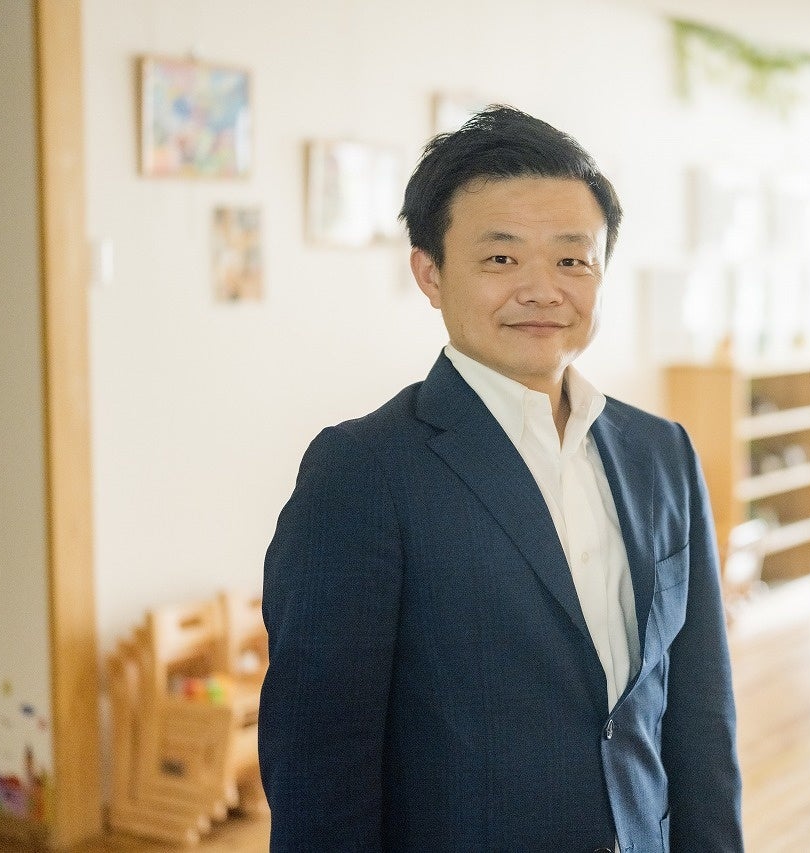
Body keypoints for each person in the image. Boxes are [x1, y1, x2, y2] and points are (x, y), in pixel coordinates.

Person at [259, 106, 743, 852]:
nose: (543, 290)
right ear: (430, 273)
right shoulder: (363, 472)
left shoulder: (661, 453)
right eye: (501, 258)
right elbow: (320, 772)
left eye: (572, 260)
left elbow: (700, 717)